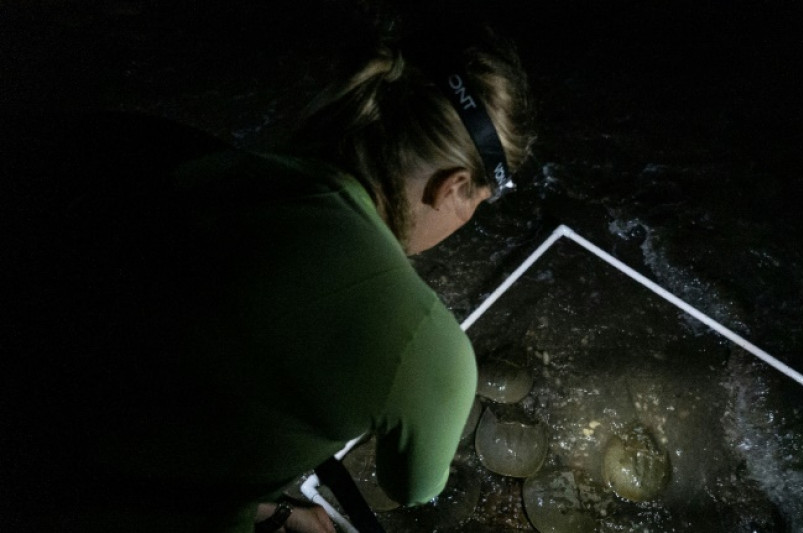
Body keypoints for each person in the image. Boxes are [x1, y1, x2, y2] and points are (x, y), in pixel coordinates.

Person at [0, 19, 533, 533]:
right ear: (452, 185)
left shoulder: (198, 163)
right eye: (481, 202)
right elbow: (413, 488)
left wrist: (267, 507)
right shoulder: (428, 349)